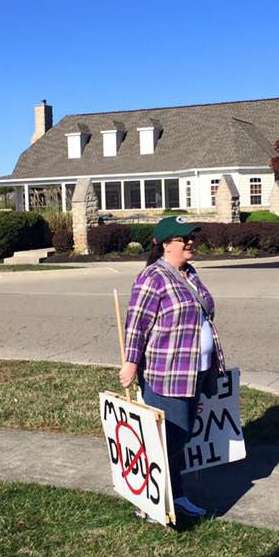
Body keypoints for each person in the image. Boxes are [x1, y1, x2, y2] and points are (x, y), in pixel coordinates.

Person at [119, 215, 225, 518]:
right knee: (170, 439)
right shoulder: (152, 277)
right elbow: (136, 325)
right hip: (167, 375)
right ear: (166, 245)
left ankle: (175, 494)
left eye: (192, 237)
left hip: (195, 372)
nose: (190, 242)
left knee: (183, 437)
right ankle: (153, 503)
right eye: (183, 238)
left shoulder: (189, 273)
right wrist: (130, 363)